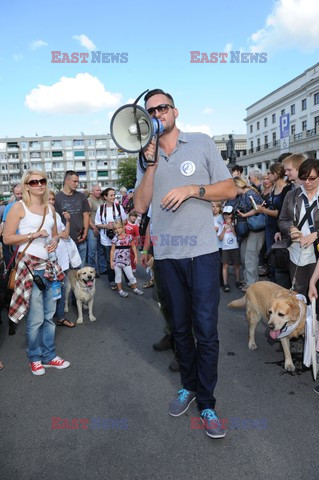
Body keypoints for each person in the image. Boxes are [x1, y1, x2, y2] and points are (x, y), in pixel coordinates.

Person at [134, 88, 237, 439]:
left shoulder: (202, 142)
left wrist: (194, 189)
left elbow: (230, 189)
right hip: (166, 256)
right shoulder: (144, 156)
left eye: (162, 108)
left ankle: (207, 402)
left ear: (175, 111)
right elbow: (140, 206)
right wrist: (149, 166)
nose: (157, 114)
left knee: (205, 331)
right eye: (150, 111)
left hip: (203, 254)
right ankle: (189, 386)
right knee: (179, 330)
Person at [3, 170, 70, 376]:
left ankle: (49, 356)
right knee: (36, 318)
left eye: (42, 180)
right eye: (34, 182)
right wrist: (33, 235)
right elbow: (7, 238)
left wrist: (54, 241)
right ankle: (35, 357)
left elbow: (55, 235)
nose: (39, 184)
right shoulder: (18, 207)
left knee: (49, 316)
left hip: (50, 267)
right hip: (30, 269)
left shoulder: (50, 208)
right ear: (27, 185)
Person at [278, 158, 319, 299]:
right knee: (298, 292)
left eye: (312, 178)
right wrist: (290, 229)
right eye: (303, 178)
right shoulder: (291, 195)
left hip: (316, 252)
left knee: (316, 293)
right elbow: (282, 220)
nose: (307, 182)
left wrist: (316, 235)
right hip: (296, 250)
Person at [48, 191, 75, 328]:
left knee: (61, 289)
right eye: (48, 199)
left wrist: (68, 221)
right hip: (48, 260)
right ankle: (48, 318)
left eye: (53, 199)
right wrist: (58, 235)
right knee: (49, 290)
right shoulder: (39, 216)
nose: (52, 201)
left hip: (62, 258)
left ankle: (60, 317)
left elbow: (65, 234)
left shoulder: (57, 215)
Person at [255, 163, 287, 282]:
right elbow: (270, 205)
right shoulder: (273, 188)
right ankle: (273, 283)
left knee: (278, 257)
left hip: (279, 228)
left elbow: (282, 213)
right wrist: (263, 207)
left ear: (277, 174)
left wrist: (264, 210)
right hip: (269, 227)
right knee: (271, 257)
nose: (267, 176)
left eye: (269, 173)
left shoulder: (286, 189)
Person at [233, 177, 265, 291]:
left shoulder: (250, 193)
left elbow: (258, 209)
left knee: (250, 255)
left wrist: (244, 215)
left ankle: (252, 284)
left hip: (256, 228)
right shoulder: (244, 194)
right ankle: (248, 280)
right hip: (248, 228)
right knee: (245, 254)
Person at [55, 171, 90, 268]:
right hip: (65, 239)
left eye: (78, 182)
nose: (77, 184)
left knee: (81, 269)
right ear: (67, 181)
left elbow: (86, 215)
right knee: (67, 270)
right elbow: (55, 219)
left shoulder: (82, 196)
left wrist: (85, 232)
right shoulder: (57, 198)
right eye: (74, 181)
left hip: (80, 238)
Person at [95, 187, 127, 290]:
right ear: (105, 197)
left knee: (123, 258)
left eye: (114, 195)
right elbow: (97, 224)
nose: (113, 197)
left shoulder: (118, 207)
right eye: (111, 195)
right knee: (110, 261)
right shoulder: (100, 209)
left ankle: (128, 280)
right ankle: (112, 280)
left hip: (119, 238)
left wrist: (117, 225)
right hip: (106, 238)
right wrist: (106, 226)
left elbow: (125, 221)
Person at [110, 220, 143, 297]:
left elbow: (133, 246)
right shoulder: (115, 239)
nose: (117, 230)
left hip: (126, 261)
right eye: (115, 229)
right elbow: (112, 251)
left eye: (119, 228)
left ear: (123, 227)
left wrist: (135, 256)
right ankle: (120, 290)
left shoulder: (129, 237)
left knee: (130, 276)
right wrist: (111, 261)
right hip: (116, 261)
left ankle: (135, 288)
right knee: (118, 276)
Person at [218, 206, 241, 292]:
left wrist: (230, 225)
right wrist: (224, 229)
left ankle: (238, 281)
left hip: (235, 247)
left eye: (229, 214)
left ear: (232, 214)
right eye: (225, 214)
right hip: (225, 248)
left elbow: (236, 235)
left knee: (236, 265)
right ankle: (225, 283)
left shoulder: (235, 222)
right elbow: (220, 238)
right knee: (225, 265)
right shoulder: (221, 224)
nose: (227, 216)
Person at [1, 184, 23, 267]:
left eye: (22, 193)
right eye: (18, 194)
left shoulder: (30, 205)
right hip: (16, 240)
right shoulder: (9, 207)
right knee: (19, 263)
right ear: (14, 194)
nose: (20, 196)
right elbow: (5, 224)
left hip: (31, 238)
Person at [87, 184, 106, 275]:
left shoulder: (101, 200)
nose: (99, 192)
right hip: (92, 229)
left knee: (101, 250)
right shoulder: (89, 201)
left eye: (100, 190)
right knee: (92, 251)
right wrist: (94, 228)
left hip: (101, 228)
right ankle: (92, 271)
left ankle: (103, 269)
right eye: (97, 190)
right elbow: (87, 217)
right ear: (92, 191)